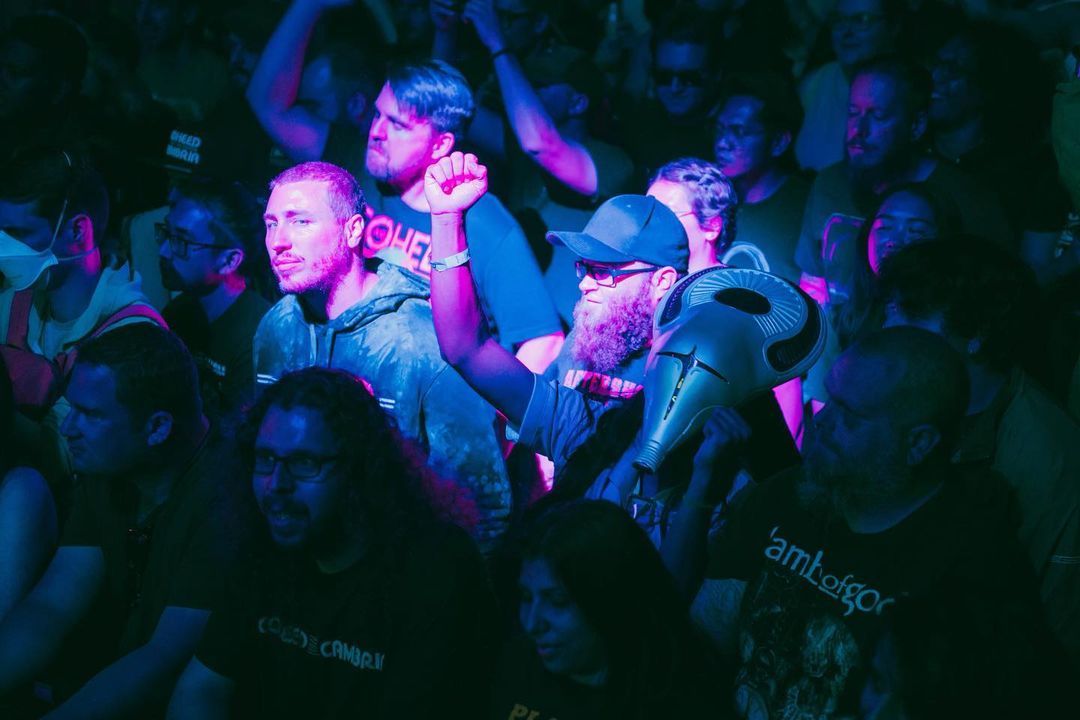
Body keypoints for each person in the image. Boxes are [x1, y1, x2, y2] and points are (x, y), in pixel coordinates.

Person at [425, 152, 798, 542]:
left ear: (662, 281)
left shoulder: (723, 386)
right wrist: (447, 220)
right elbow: (466, 348)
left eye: (604, 271)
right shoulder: (581, 412)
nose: (585, 283)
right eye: (584, 267)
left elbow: (786, 495)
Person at [683, 326, 1048, 719]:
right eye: (830, 400)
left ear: (918, 444)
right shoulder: (786, 494)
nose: (823, 422)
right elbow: (702, 645)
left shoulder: (974, 568)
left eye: (850, 416)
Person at [246, 1, 563, 371]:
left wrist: (488, 406)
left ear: (441, 145)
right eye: (377, 114)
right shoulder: (352, 166)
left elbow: (544, 341)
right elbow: (268, 105)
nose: (376, 132)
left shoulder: (480, 220)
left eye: (397, 125)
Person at [167, 368, 498, 719]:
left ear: (358, 468)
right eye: (265, 459)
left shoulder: (434, 568)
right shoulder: (262, 550)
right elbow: (202, 689)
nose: (276, 484)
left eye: (304, 463)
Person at [253, 160, 511, 552]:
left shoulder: (420, 339)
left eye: (300, 222)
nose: (278, 242)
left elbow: (482, 508)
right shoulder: (276, 328)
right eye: (271, 224)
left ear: (353, 230)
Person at [0, 324, 235, 718]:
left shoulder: (224, 499)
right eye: (71, 407)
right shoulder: (110, 464)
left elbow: (162, 659)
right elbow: (50, 608)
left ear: (158, 427)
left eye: (90, 414)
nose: (68, 428)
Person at [878, 237, 1080, 669]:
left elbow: (1044, 622)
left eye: (913, 313)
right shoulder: (902, 396)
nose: (890, 328)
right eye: (891, 309)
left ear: (976, 334)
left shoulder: (1047, 455)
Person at [794, 56, 1011, 307]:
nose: (859, 129)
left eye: (878, 115)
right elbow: (813, 284)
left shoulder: (968, 199)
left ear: (916, 125)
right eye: (853, 113)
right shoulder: (829, 184)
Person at [0, 148, 163, 466]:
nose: (4, 247)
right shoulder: (13, 301)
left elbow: (74, 456)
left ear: (78, 230)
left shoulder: (133, 336)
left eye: (18, 233)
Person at [490, 499, 717, 719]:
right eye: (527, 597)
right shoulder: (517, 664)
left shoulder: (674, 701)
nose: (532, 624)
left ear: (611, 598)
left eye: (558, 601)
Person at [158, 178, 272, 421]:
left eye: (182, 240)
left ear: (229, 261)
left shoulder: (260, 338)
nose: (164, 251)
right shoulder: (177, 312)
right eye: (167, 233)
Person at [712, 72, 810, 284]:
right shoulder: (712, 198)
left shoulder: (805, 206)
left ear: (778, 142)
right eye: (720, 130)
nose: (722, 143)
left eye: (739, 131)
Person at [794, 0, 903, 172]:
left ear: (892, 28)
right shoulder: (816, 82)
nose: (847, 31)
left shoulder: (905, 89)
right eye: (838, 20)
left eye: (862, 20)